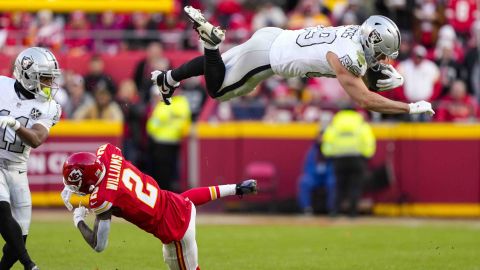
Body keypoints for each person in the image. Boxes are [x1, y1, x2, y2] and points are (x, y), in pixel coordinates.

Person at [151, 6, 434, 116]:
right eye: (383, 53)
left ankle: (168, 79)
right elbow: (366, 100)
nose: (384, 60)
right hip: (269, 58)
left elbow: (365, 64)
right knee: (219, 90)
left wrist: (376, 70)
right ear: (373, 42)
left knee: (220, 64)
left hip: (274, 36)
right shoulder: (350, 58)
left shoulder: (355, 32)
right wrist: (408, 107)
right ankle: (209, 42)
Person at [60, 143, 257, 270]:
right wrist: (236, 188)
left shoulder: (103, 198)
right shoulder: (108, 153)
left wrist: (78, 219)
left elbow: (98, 245)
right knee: (184, 199)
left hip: (174, 231)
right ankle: (237, 187)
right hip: (178, 204)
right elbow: (189, 199)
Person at [0, 47, 62, 270]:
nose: (49, 84)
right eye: (44, 78)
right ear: (27, 75)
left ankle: (21, 261)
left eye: (50, 78)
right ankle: (30, 264)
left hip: (18, 166)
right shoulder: (1, 86)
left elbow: (36, 139)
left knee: (18, 240)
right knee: (1, 208)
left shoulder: (50, 106)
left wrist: (16, 125)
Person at [321, 110, 376, 217]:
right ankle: (353, 213)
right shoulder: (360, 122)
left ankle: (335, 211)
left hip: (339, 159)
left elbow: (327, 141)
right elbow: (368, 140)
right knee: (355, 186)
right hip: (357, 158)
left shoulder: (335, 123)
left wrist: (329, 154)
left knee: (339, 186)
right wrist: (366, 155)